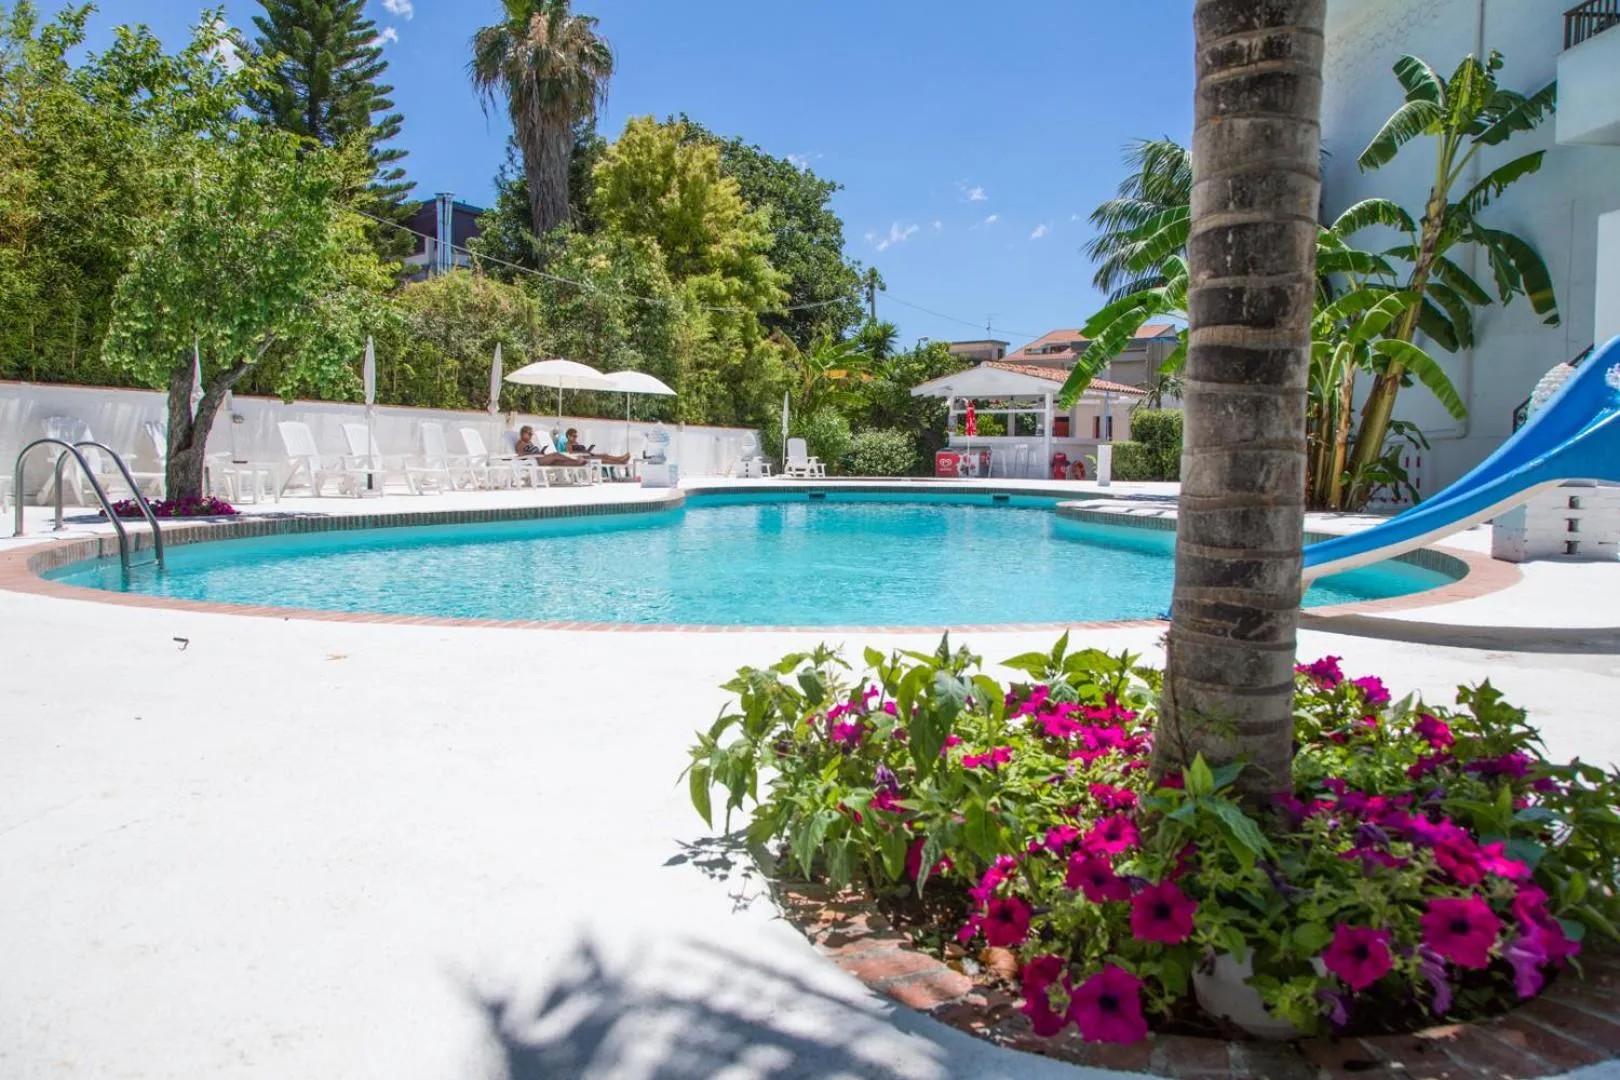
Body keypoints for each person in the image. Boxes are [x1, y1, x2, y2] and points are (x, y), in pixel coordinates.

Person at [514, 425, 587, 467]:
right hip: (536, 460)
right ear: (523, 433)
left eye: (531, 434)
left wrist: (540, 453)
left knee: (559, 462)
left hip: (541, 457)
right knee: (556, 454)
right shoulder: (520, 443)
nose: (531, 435)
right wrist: (535, 454)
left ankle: (579, 463)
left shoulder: (529, 442)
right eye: (529, 434)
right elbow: (520, 455)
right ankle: (575, 460)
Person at [564, 427, 631, 466]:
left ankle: (620, 458)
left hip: (586, 455)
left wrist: (586, 451)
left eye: (576, 436)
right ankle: (621, 462)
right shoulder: (568, 445)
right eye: (574, 436)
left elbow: (579, 451)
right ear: (568, 436)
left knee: (604, 455)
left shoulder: (575, 443)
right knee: (602, 459)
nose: (575, 438)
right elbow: (571, 455)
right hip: (584, 459)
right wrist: (583, 453)